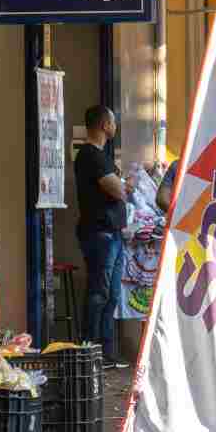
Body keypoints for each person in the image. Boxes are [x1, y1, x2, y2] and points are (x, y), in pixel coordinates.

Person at [74, 105, 129, 370]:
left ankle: (107, 352)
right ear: (104, 125)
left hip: (113, 234)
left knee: (112, 295)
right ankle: (90, 349)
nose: (115, 127)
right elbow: (118, 189)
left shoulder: (102, 156)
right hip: (100, 235)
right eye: (113, 122)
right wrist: (122, 185)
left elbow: (119, 185)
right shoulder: (90, 155)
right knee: (99, 291)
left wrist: (122, 184)